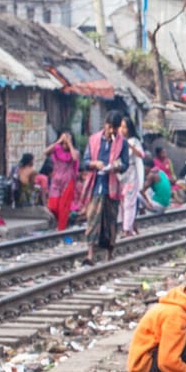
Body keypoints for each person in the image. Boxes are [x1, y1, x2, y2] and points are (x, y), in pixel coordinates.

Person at [83, 113, 132, 263]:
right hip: (96, 184)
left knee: (111, 220)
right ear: (105, 124)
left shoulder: (122, 143)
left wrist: (116, 167)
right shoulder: (93, 140)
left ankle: (109, 254)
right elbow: (85, 161)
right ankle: (90, 253)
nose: (111, 131)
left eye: (114, 129)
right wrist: (95, 164)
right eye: (110, 127)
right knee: (92, 218)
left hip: (112, 186)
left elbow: (125, 164)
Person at [45, 132, 82, 231]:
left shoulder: (75, 152)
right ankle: (62, 224)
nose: (64, 145)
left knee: (64, 208)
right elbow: (46, 152)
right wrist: (59, 141)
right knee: (52, 206)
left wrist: (69, 144)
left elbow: (75, 158)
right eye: (64, 143)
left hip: (68, 182)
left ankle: (61, 229)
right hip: (56, 181)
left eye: (67, 143)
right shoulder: (56, 149)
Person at [120, 138, 147, 237]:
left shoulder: (134, 141)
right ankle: (128, 227)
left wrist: (130, 146)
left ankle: (126, 229)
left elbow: (141, 155)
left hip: (131, 174)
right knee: (123, 203)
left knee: (129, 202)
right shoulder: (115, 139)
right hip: (120, 174)